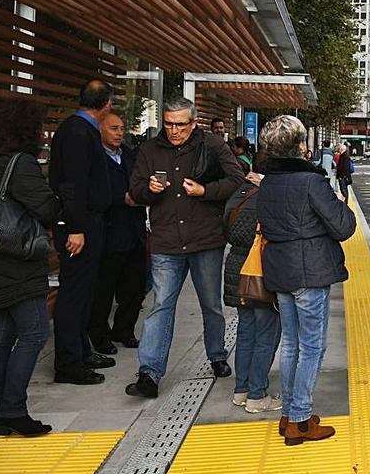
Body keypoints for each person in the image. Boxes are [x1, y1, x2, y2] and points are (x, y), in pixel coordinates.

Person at [125, 97, 245, 398]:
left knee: (211, 304)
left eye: (180, 124)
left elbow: (237, 180)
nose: (174, 130)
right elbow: (135, 190)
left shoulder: (214, 145)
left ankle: (217, 355)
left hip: (205, 239)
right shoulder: (151, 149)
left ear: (193, 123)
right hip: (166, 240)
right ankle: (149, 373)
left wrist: (206, 191)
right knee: (161, 306)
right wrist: (148, 190)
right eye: (168, 124)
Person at [256, 115, 355, 445]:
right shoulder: (311, 182)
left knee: (291, 344)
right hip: (309, 272)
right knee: (312, 347)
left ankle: (289, 415)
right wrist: (342, 204)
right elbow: (343, 228)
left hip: (280, 270)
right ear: (300, 146)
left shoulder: (268, 181)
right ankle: (300, 419)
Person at [0, 99, 62, 436]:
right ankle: (12, 410)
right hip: (18, 263)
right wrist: (60, 197)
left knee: (0, 337)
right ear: (27, 129)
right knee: (34, 332)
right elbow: (45, 208)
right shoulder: (20, 163)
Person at [49, 79, 115, 385]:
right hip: (79, 225)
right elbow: (72, 185)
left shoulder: (79, 129)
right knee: (74, 293)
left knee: (86, 290)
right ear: (106, 104)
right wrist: (75, 227)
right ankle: (68, 362)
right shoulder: (78, 132)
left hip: (88, 222)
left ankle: (82, 350)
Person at [223, 158, 283, 414]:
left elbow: (226, 227)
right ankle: (258, 395)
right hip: (260, 270)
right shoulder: (270, 196)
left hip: (237, 269)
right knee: (266, 334)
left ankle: (241, 390)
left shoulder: (240, 192)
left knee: (246, 332)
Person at [88, 113, 147, 355]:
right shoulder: (94, 157)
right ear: (100, 129)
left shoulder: (131, 156)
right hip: (109, 232)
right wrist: (119, 199)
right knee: (104, 290)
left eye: (122, 128)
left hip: (135, 230)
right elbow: (89, 191)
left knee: (135, 288)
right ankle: (99, 335)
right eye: (113, 128)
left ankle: (124, 329)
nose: (119, 133)